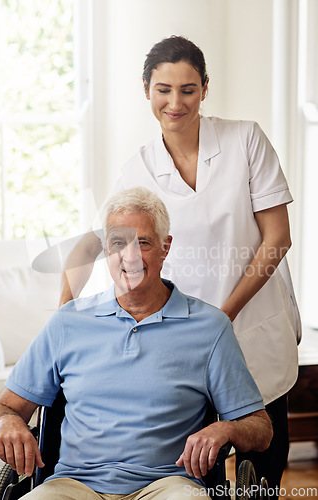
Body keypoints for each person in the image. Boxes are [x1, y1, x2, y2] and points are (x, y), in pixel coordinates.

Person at [58, 36, 300, 497]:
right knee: (198, 466)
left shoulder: (245, 139)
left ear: (205, 88)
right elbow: (93, 243)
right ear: (146, 89)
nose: (175, 102)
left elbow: (277, 238)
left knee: (265, 467)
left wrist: (224, 317)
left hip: (255, 328)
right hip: (185, 341)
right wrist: (63, 317)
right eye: (163, 89)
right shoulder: (138, 169)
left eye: (188, 89)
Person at [0, 188, 272, 500]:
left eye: (143, 242)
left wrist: (227, 429)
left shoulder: (210, 327)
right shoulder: (67, 322)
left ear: (166, 247)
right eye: (118, 243)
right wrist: (7, 421)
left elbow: (260, 428)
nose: (130, 256)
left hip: (168, 485)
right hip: (73, 485)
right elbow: (1, 408)